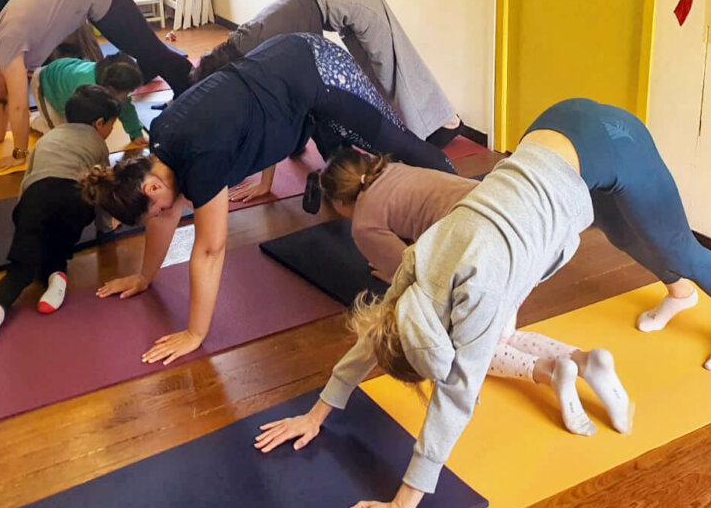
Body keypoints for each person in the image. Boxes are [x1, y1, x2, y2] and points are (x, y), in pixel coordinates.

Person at [255, 99, 711, 508]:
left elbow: (454, 400)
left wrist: (401, 507)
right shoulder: (422, 259)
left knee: (676, 246)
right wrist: (317, 412)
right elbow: (376, 336)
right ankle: (679, 293)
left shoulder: (479, 295)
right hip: (552, 130)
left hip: (610, 143)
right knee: (621, 232)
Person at [80, 33, 455, 367]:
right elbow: (164, 213)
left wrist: (195, 334)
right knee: (345, 155)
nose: (165, 215)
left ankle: (470, 203)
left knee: (394, 143)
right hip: (285, 77)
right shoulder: (160, 142)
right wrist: (146, 277)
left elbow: (210, 250)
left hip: (316, 68)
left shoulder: (199, 161)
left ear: (150, 189)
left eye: (158, 209)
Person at [318, 147, 629, 436]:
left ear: (339, 201)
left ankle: (550, 371)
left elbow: (405, 281)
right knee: (502, 330)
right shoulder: (391, 170)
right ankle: (583, 361)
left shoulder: (363, 222)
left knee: (484, 342)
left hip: (489, 253)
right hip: (531, 232)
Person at [0, 0, 192, 172]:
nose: (12, 92)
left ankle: (190, 99)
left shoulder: (7, 44)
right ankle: (174, 89)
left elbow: (18, 106)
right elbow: (4, 100)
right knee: (145, 51)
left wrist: (19, 155)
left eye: (4, 91)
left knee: (152, 51)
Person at [191, 0, 464, 146]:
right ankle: (436, 123)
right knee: (372, 72)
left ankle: (431, 135)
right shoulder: (240, 44)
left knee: (390, 69)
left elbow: (278, 107)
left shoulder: (254, 53)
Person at [0, 85, 122, 353]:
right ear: (99, 123)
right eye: (112, 125)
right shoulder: (98, 145)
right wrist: (105, 231)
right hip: (75, 201)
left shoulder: (46, 139)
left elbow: (26, 184)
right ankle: (57, 275)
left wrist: (23, 220)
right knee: (58, 242)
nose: (111, 130)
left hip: (36, 198)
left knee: (22, 266)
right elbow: (103, 189)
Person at [31, 53, 148, 148]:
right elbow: (77, 119)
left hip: (65, 76)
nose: (127, 96)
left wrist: (136, 134)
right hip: (45, 84)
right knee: (57, 134)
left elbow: (126, 108)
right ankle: (32, 122)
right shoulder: (85, 89)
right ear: (111, 89)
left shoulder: (111, 81)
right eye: (126, 92)